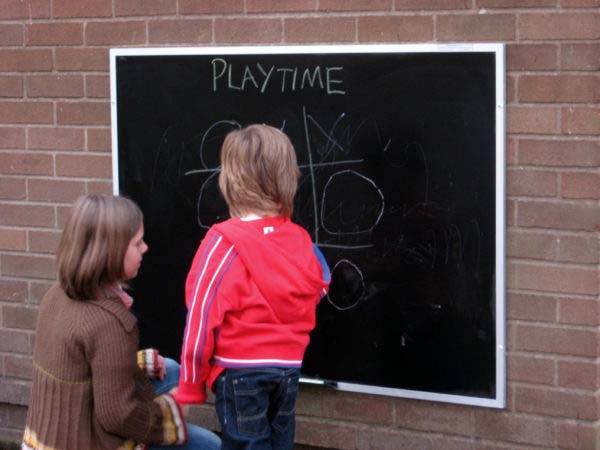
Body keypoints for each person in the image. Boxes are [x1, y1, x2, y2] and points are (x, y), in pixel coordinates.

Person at [174, 124, 331, 450]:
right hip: (287, 370)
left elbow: (201, 317)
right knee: (279, 443)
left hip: (240, 372)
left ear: (230, 180)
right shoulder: (300, 238)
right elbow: (320, 283)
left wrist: (191, 384)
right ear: (288, 177)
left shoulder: (222, 242)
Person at [22, 194, 220, 450]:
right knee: (211, 445)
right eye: (137, 243)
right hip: (88, 441)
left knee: (170, 369)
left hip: (44, 439)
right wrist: (174, 411)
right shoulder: (110, 324)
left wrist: (138, 362)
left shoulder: (56, 295)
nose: (145, 248)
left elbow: (85, 368)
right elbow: (119, 416)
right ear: (110, 253)